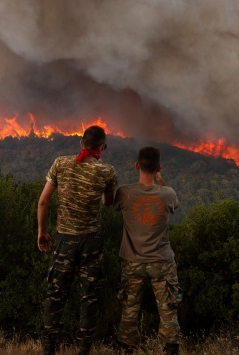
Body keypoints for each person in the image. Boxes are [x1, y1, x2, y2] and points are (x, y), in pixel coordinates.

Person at [37, 125, 118, 355]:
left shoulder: (60, 164)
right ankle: (84, 350)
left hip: (64, 241)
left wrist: (42, 231)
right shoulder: (107, 171)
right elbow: (108, 203)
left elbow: (43, 202)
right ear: (101, 147)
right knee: (89, 298)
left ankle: (49, 349)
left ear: (81, 143)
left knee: (55, 295)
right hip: (91, 243)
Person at [113, 146, 182, 355]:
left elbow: (111, 204)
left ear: (136, 166)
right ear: (159, 167)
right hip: (161, 262)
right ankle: (170, 349)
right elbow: (175, 204)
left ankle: (127, 349)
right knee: (168, 309)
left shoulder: (124, 193)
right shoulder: (167, 193)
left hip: (132, 261)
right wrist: (160, 180)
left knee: (129, 309)